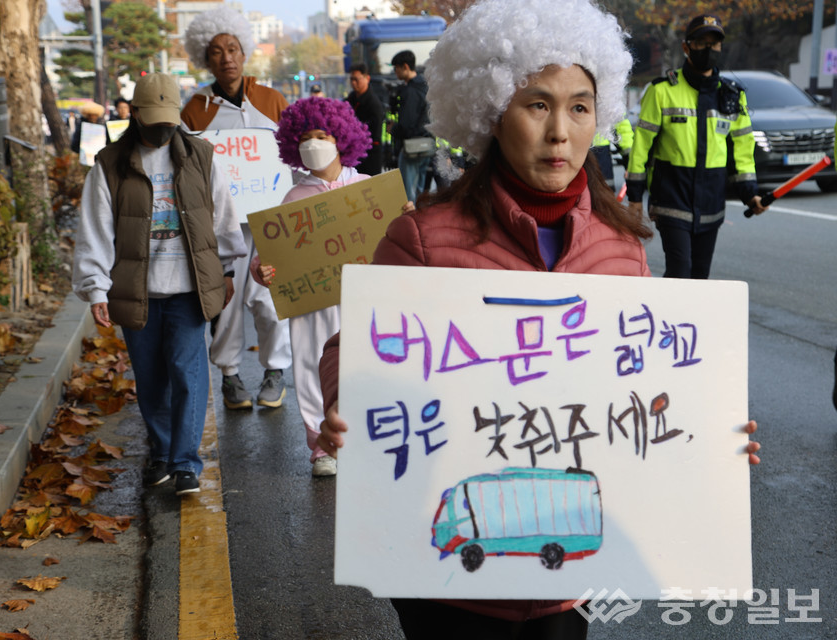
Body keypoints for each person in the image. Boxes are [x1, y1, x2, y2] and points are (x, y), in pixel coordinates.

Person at [315, 0, 761, 636]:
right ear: (491, 112)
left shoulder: (623, 248)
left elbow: (641, 387)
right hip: (448, 586)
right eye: (537, 104)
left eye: (580, 106)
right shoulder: (423, 238)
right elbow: (348, 350)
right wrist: (343, 405)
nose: (561, 131)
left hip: (568, 585)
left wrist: (711, 435)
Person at [72, 73, 247, 496]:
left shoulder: (201, 157)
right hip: (138, 292)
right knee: (151, 380)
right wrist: (96, 288)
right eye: (154, 123)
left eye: (169, 123)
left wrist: (225, 272)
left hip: (188, 292)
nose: (163, 131)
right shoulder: (110, 165)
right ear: (134, 116)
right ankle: (163, 452)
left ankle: (186, 462)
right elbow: (94, 229)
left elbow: (221, 218)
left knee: (189, 374)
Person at [251, 97, 373, 477]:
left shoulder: (370, 189)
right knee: (310, 365)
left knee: (365, 364)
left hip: (361, 295)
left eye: (321, 135)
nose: (313, 143)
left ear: (341, 138)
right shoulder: (292, 199)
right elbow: (266, 256)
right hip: (312, 301)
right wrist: (261, 270)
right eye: (305, 137)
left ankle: (366, 439)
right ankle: (320, 446)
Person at [180, 5, 293, 410]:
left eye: (232, 48)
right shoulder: (194, 109)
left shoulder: (272, 99)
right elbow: (187, 167)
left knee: (269, 298)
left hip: (269, 220)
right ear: (204, 58)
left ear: (244, 53)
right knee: (224, 300)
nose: (225, 57)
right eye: (215, 51)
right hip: (221, 223)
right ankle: (229, 376)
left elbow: (293, 156)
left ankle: (275, 371)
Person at [626, 14, 767, 279]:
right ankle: (668, 319)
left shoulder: (732, 95)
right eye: (702, 42)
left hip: (711, 203)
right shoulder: (662, 90)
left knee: (700, 276)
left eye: (714, 44)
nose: (709, 49)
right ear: (686, 47)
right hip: (671, 200)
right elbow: (641, 147)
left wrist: (751, 194)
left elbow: (742, 151)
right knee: (680, 271)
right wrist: (635, 197)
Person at [390, 50, 433, 201]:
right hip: (427, 144)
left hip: (411, 147)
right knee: (421, 191)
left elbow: (406, 124)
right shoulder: (426, 86)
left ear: (405, 67)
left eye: (396, 68)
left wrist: (393, 129)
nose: (394, 72)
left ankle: (410, 220)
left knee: (407, 194)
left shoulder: (410, 91)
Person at [346, 63, 385, 176]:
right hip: (353, 154)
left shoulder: (373, 103)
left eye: (356, 79)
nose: (353, 83)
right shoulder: (351, 98)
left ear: (367, 78)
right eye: (351, 79)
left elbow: (374, 133)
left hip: (370, 155)